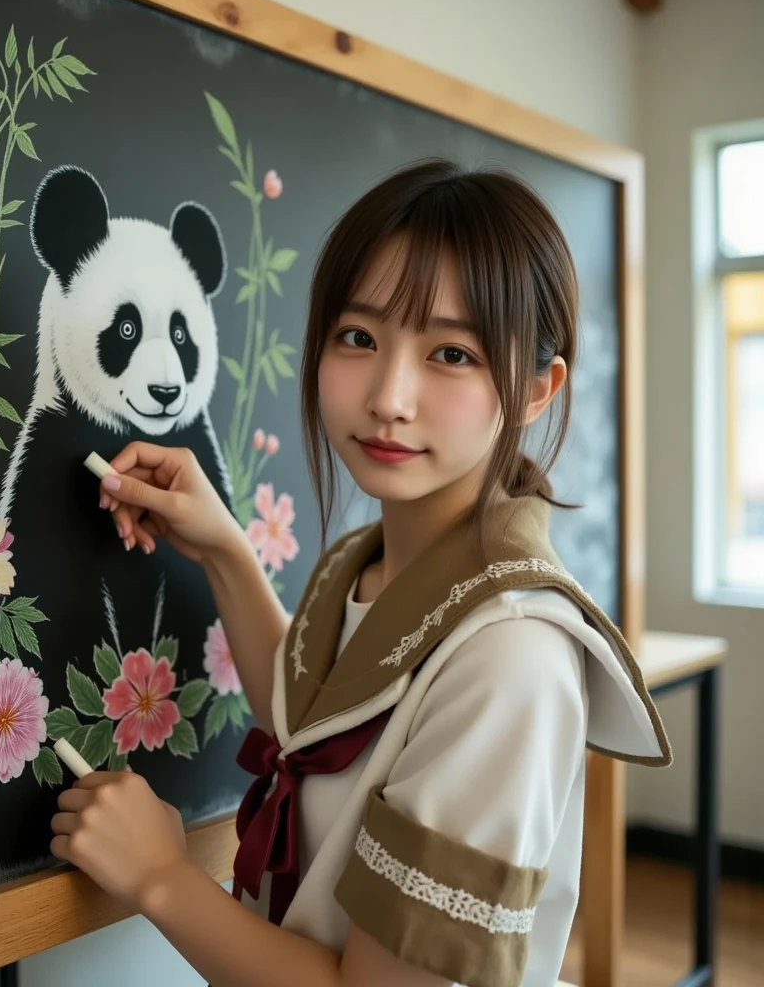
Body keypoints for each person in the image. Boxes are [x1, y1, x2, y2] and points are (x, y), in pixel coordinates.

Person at [48, 159, 672, 987]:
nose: (388, 395)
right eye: (358, 337)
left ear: (534, 390)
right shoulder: (367, 558)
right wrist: (227, 549)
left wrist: (163, 879)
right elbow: (319, 724)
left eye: (451, 352)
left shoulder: (510, 660)